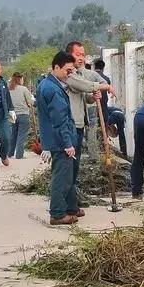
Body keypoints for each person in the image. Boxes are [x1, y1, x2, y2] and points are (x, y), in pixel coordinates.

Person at [37, 50, 81, 225]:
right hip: (60, 141)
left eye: (71, 71)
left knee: (67, 176)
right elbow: (60, 121)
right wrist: (68, 143)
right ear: (56, 67)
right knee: (61, 177)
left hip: (56, 139)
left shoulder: (48, 85)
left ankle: (71, 208)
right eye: (67, 70)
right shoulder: (53, 89)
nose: (69, 74)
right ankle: (57, 213)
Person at [64, 40, 114, 196]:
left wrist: (93, 97)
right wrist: (103, 87)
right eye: (77, 54)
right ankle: (67, 201)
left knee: (75, 164)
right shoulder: (69, 74)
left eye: (83, 55)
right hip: (70, 125)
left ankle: (72, 198)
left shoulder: (79, 73)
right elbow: (85, 86)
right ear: (69, 55)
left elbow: (85, 97)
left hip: (79, 125)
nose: (81, 58)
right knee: (69, 165)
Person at [8, 71, 35, 159]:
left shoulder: (9, 89)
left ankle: (10, 153)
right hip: (23, 114)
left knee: (13, 135)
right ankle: (19, 155)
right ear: (20, 79)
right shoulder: (24, 89)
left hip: (12, 115)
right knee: (21, 135)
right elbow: (30, 102)